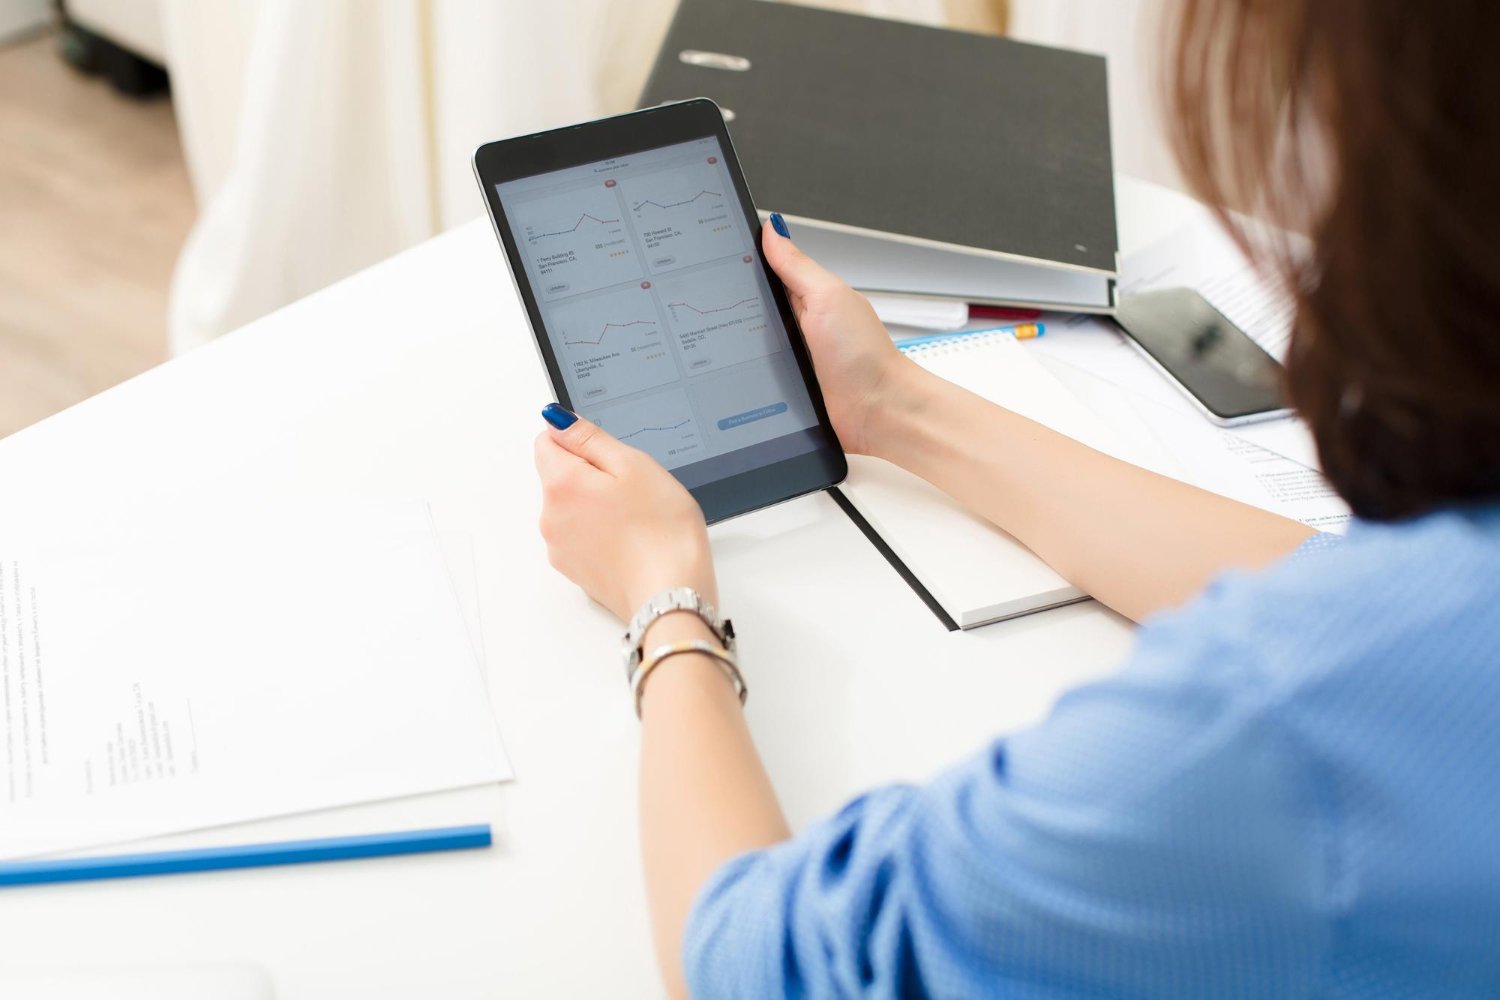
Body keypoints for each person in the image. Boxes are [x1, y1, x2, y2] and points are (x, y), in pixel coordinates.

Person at [531, 0, 1500, 995]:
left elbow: (752, 962)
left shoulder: (1260, 740)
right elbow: (1342, 592)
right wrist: (892, 403)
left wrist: (665, 604)